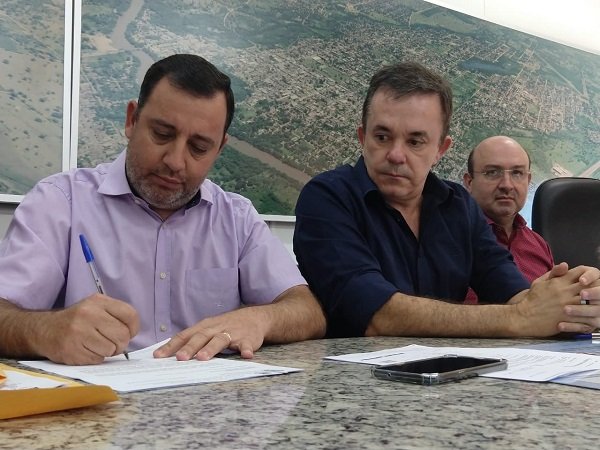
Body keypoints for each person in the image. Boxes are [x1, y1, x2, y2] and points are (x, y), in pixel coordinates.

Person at [0, 54, 325, 365]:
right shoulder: (61, 202)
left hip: (205, 400)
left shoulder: (236, 218)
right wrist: (47, 331)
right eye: (162, 134)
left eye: (199, 147)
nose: (175, 161)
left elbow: (307, 311)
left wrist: (259, 319)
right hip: (97, 399)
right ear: (132, 120)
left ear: (219, 148)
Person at [293, 61, 600, 339]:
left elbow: (512, 293)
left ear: (440, 149)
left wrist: (575, 299)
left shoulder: (459, 206)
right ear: (363, 137)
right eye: (382, 137)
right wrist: (520, 318)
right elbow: (375, 314)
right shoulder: (327, 198)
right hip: (353, 376)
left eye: (415, 141)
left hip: (450, 374)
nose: (396, 155)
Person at [462, 136, 554, 304]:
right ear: (469, 182)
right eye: (492, 172)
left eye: (517, 173)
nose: (507, 185)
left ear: (528, 181)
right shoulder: (449, 241)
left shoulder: (539, 245)